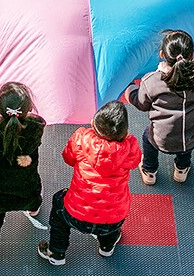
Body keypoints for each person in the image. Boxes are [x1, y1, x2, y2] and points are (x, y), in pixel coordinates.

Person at [37, 101, 140, 266]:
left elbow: (68, 158)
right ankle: (107, 246)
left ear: (94, 122)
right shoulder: (130, 146)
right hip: (114, 218)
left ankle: (56, 253)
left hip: (75, 214)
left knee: (59, 204)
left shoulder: (81, 138)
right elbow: (135, 162)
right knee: (112, 216)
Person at [124, 29, 194, 184]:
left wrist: (130, 88)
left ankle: (149, 170)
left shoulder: (152, 81)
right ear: (191, 56)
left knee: (148, 138)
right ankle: (181, 169)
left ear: (162, 54)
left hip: (161, 137)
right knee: (185, 150)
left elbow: (141, 103)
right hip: (191, 135)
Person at [0, 82, 45, 271]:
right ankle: (33, 208)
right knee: (33, 188)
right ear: (29, 108)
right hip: (26, 187)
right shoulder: (38, 125)